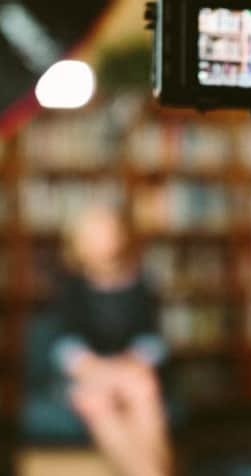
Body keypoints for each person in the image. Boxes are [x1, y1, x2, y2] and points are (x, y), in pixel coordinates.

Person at [48, 204, 173, 476]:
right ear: (78, 244)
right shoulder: (71, 287)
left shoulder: (141, 283)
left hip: (131, 371)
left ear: (119, 236)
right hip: (90, 374)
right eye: (91, 235)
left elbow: (153, 339)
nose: (100, 241)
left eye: (105, 232)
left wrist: (132, 363)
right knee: (97, 402)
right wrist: (97, 370)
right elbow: (64, 345)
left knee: (143, 391)